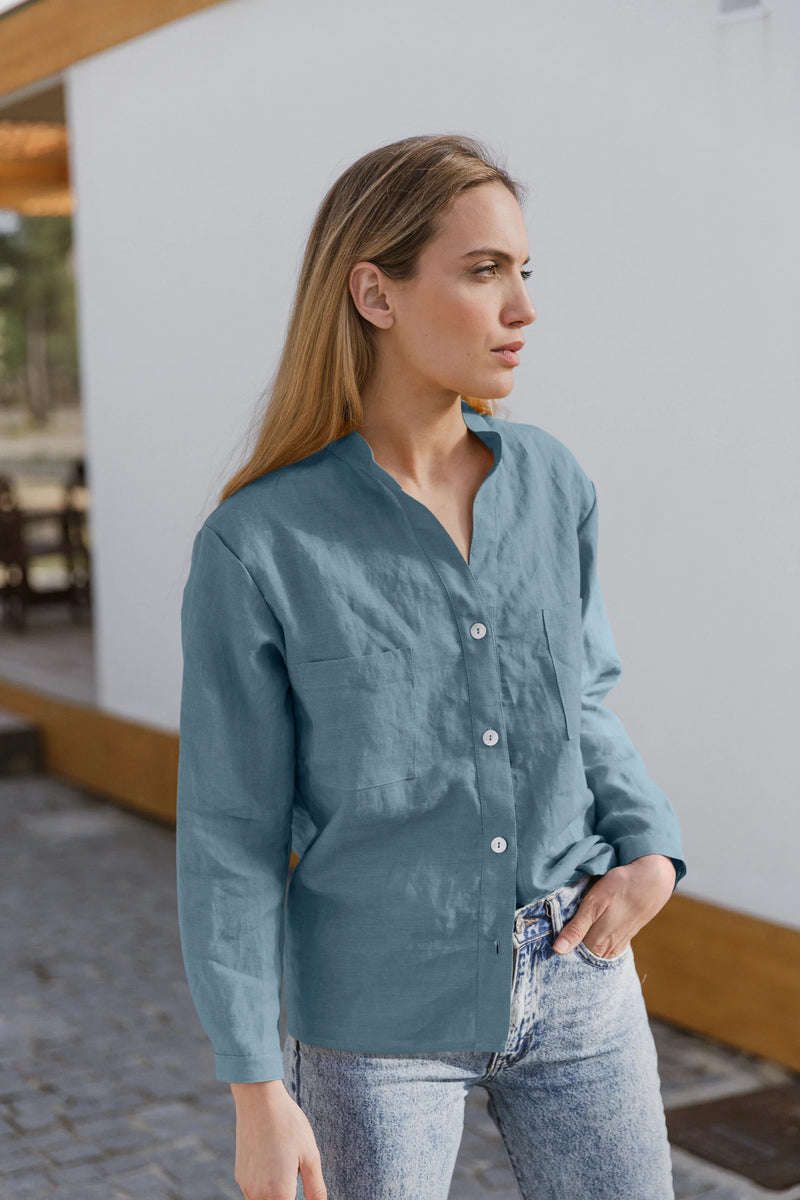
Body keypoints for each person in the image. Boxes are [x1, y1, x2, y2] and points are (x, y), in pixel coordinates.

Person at [176, 133, 686, 1200]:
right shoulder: (258, 542)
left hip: (581, 971)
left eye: (523, 272)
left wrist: (650, 852)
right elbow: (229, 829)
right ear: (374, 292)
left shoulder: (550, 482)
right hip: (373, 1020)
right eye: (482, 270)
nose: (522, 308)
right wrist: (255, 1088)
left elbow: (583, 692)